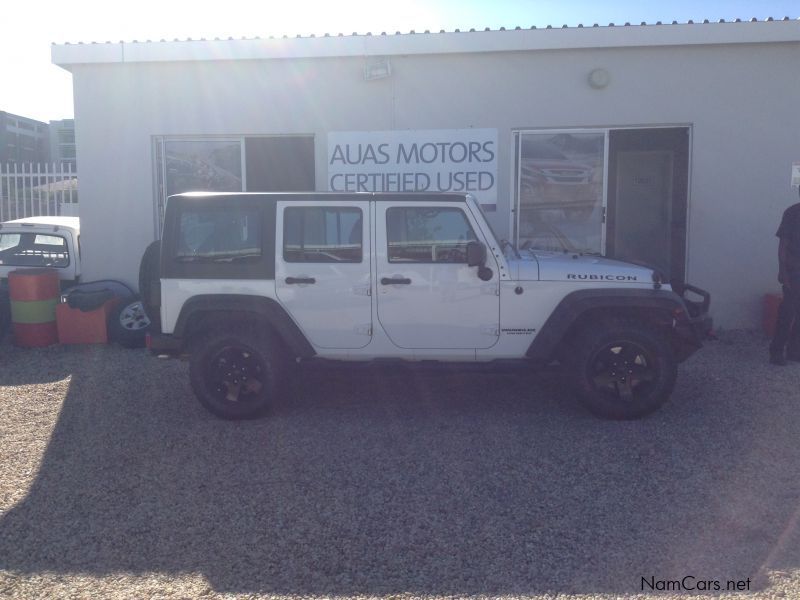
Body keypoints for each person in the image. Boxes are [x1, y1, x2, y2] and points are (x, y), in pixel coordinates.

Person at [770, 186, 800, 365]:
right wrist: (782, 270)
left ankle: (794, 351)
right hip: (793, 271)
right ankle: (776, 351)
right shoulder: (792, 213)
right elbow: (783, 244)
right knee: (787, 311)